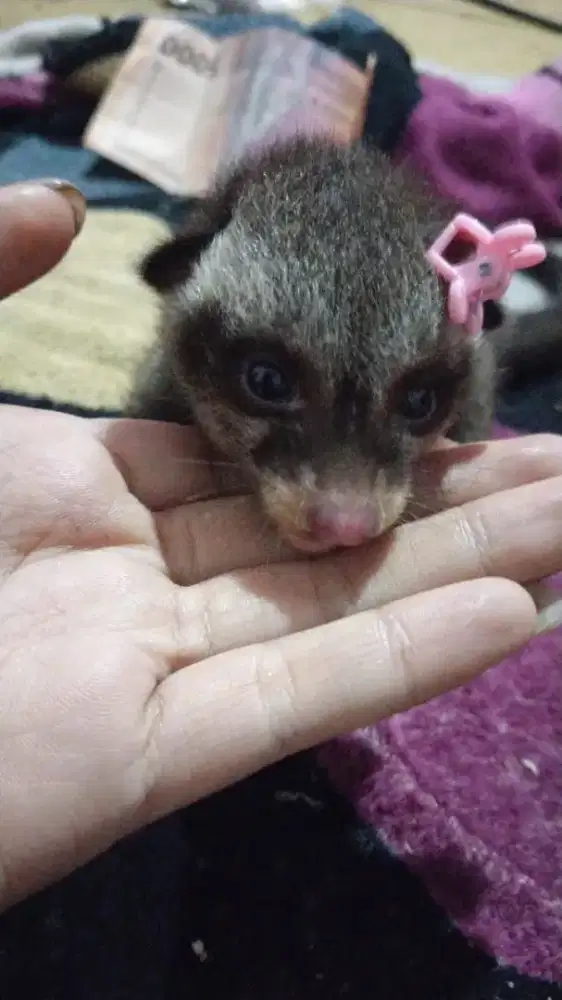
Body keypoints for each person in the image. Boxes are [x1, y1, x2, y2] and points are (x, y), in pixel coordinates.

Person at [0, 178, 561, 913]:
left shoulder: (458, 367)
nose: (350, 516)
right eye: (268, 382)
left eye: (416, 402)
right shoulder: (170, 388)